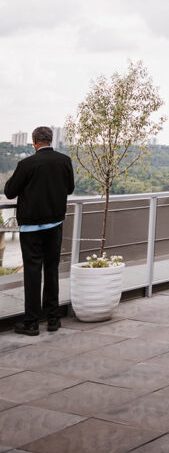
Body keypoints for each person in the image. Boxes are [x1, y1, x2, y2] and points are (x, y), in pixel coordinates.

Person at [3, 126, 74, 336]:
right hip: (54, 225)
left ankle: (32, 323)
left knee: (32, 273)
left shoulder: (26, 164)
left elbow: (9, 192)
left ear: (34, 142)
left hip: (32, 227)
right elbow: (69, 189)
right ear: (51, 141)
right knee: (51, 270)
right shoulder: (64, 161)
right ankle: (53, 319)